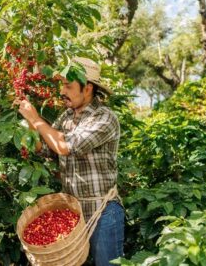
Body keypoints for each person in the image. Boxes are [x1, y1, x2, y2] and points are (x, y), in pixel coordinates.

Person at [15, 57, 124, 266]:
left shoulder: (104, 118)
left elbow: (66, 147)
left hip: (103, 211)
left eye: (68, 86)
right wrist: (30, 121)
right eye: (62, 85)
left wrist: (37, 118)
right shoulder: (65, 117)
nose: (62, 91)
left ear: (88, 88)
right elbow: (45, 149)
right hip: (72, 213)